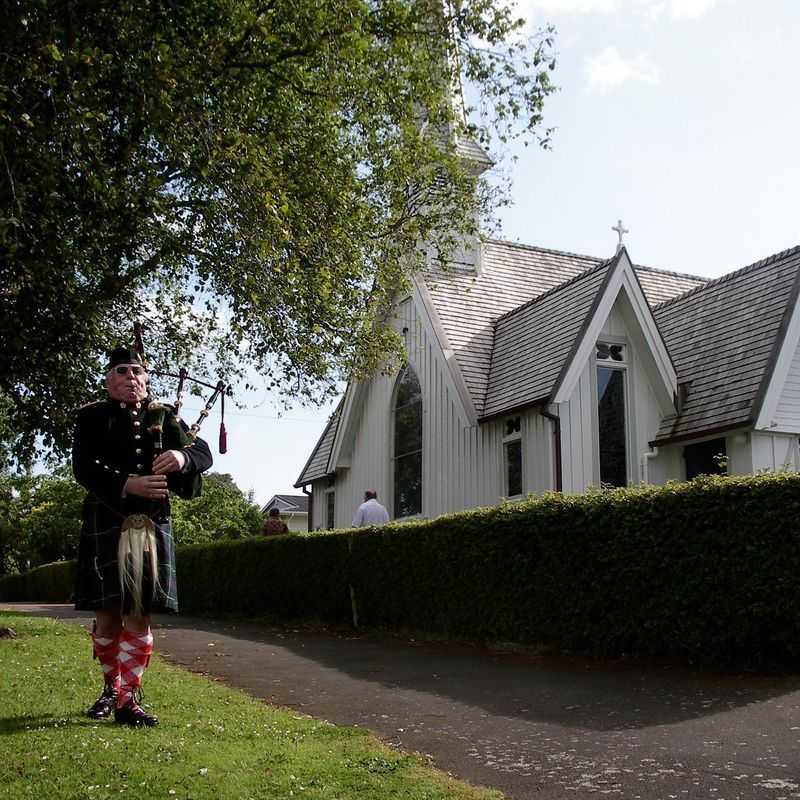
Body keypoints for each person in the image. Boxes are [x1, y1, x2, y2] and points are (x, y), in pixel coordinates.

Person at [72, 347, 212, 727]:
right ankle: (109, 687)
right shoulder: (92, 417)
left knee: (139, 612)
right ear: (108, 380)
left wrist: (182, 459)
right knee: (107, 616)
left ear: (146, 378)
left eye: (138, 371)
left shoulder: (164, 416)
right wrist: (127, 483)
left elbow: (202, 452)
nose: (131, 377)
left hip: (151, 525)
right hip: (108, 520)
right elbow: (83, 467)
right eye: (122, 370)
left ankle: (127, 699)